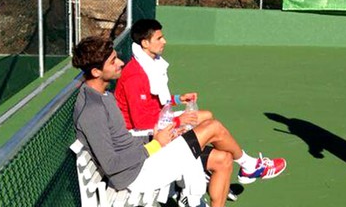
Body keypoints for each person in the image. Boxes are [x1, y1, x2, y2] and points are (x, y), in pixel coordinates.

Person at [72, 35, 252, 207]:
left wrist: (152, 137)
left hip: (144, 158)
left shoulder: (102, 95)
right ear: (95, 72)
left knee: (223, 159)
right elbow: (111, 164)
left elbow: (121, 141)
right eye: (113, 61)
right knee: (212, 126)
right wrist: (155, 144)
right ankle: (250, 166)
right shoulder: (92, 111)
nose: (120, 62)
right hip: (136, 175)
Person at [114, 18, 286, 184]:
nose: (164, 41)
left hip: (156, 123)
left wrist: (178, 99)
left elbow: (154, 99)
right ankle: (248, 165)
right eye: (159, 38)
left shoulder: (149, 64)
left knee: (206, 115)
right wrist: (179, 120)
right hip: (144, 138)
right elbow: (141, 122)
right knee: (214, 127)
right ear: (145, 43)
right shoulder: (135, 75)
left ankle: (223, 165)